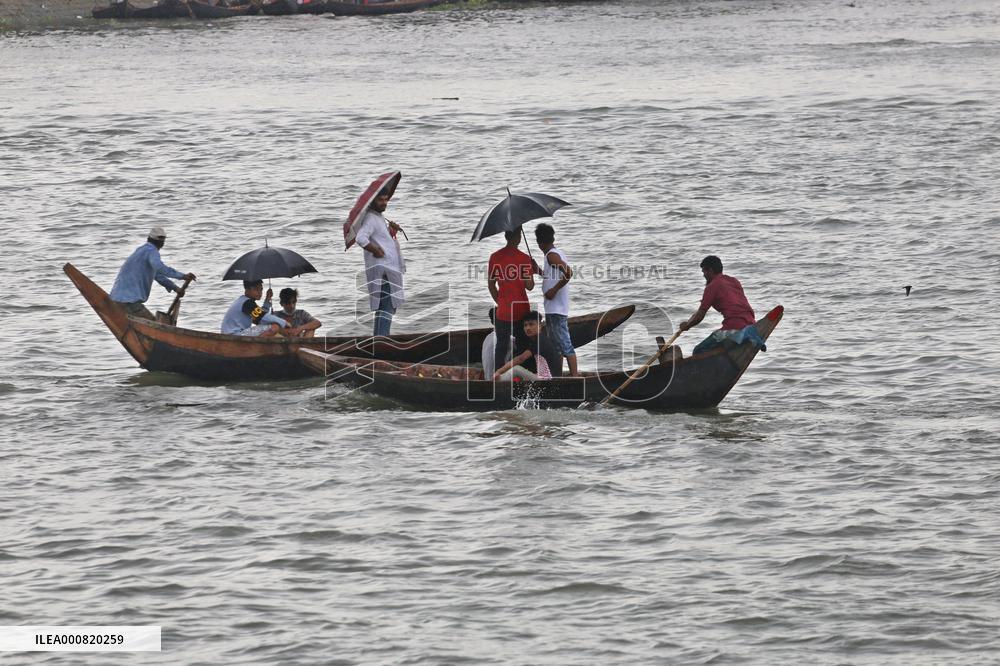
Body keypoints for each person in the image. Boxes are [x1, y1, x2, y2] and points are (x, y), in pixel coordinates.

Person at [109, 226, 196, 320]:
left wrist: (175, 288)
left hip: (116, 299)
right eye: (162, 241)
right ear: (161, 243)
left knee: (150, 324)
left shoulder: (141, 250)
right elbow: (160, 268)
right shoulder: (152, 251)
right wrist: (182, 276)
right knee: (153, 324)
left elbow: (158, 275)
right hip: (129, 301)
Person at [679, 255, 757, 354]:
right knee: (719, 346)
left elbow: (700, 315)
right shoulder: (734, 281)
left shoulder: (712, 286)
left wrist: (687, 326)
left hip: (734, 327)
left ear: (710, 271)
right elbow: (699, 311)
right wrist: (688, 322)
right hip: (752, 324)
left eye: (704, 272)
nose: (704, 276)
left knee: (698, 350)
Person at [356, 189, 405, 337]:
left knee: (383, 309)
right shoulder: (371, 218)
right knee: (386, 308)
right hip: (384, 272)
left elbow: (383, 241)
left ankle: (378, 340)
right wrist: (374, 250)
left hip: (387, 271)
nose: (384, 203)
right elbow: (361, 238)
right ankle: (381, 340)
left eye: (386, 199)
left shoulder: (379, 218)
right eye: (380, 200)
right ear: (372, 201)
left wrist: (391, 233)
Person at [488, 228, 535, 379]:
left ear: (506, 236)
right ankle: (522, 378)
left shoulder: (495, 257)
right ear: (518, 237)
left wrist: (500, 302)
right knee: (523, 347)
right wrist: (532, 269)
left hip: (503, 311)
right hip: (521, 311)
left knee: (501, 346)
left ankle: (497, 377)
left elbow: (491, 285)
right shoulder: (524, 258)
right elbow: (530, 286)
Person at [535, 222, 579, 377]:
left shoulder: (552, 256)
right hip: (553, 308)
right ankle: (558, 376)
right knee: (557, 347)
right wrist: (538, 271)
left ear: (539, 243)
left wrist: (554, 290)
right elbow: (552, 276)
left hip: (556, 309)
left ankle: (575, 378)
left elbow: (568, 272)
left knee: (565, 345)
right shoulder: (554, 254)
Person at [493, 311, 563, 382]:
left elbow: (521, 359)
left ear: (540, 325)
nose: (528, 328)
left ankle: (498, 381)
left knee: (516, 369)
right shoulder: (540, 338)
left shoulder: (539, 341)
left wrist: (499, 371)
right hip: (548, 377)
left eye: (531, 324)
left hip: (549, 380)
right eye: (525, 325)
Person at [221, 280, 292, 336]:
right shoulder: (247, 303)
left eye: (261, 289)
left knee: (272, 325)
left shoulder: (244, 301)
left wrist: (267, 299)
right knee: (274, 327)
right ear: (247, 290)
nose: (260, 292)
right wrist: (284, 322)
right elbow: (263, 317)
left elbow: (259, 318)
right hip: (235, 334)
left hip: (235, 333)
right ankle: (257, 347)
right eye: (256, 289)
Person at [481, 307, 514, 379]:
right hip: (498, 380)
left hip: (488, 378)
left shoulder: (488, 337)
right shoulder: (510, 339)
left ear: (492, 322)